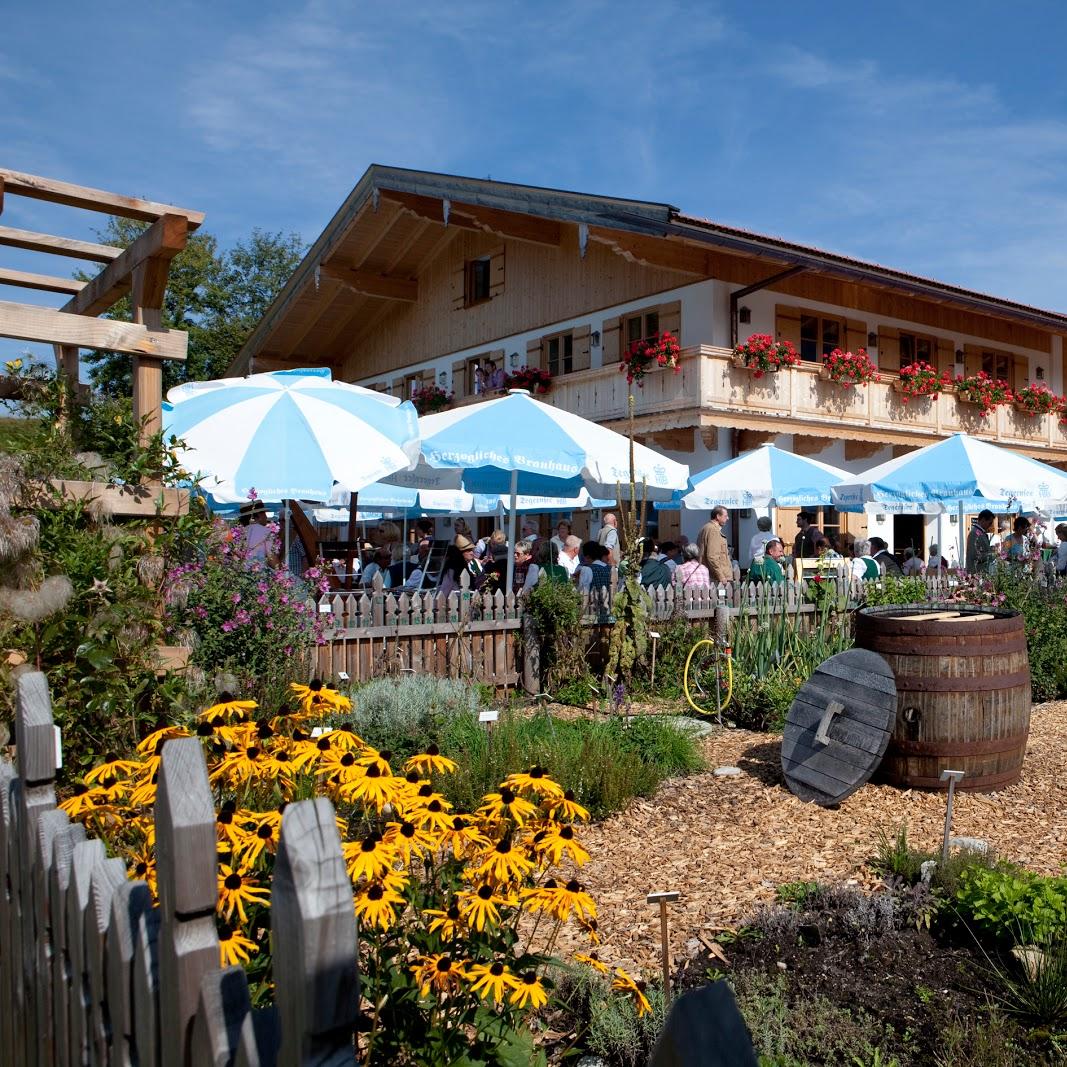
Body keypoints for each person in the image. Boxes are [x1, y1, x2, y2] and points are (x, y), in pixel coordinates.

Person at [697, 506, 733, 584]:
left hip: (710, 575)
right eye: (725, 516)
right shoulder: (713, 530)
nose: (728, 518)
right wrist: (721, 576)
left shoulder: (706, 527)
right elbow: (712, 556)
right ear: (718, 516)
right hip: (716, 579)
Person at [966, 510, 996, 574]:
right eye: (990, 523)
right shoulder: (974, 533)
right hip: (976, 573)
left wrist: (991, 549)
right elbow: (975, 555)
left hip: (981, 572)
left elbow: (981, 550)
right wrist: (992, 554)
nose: (990, 525)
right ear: (983, 520)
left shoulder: (980, 532)